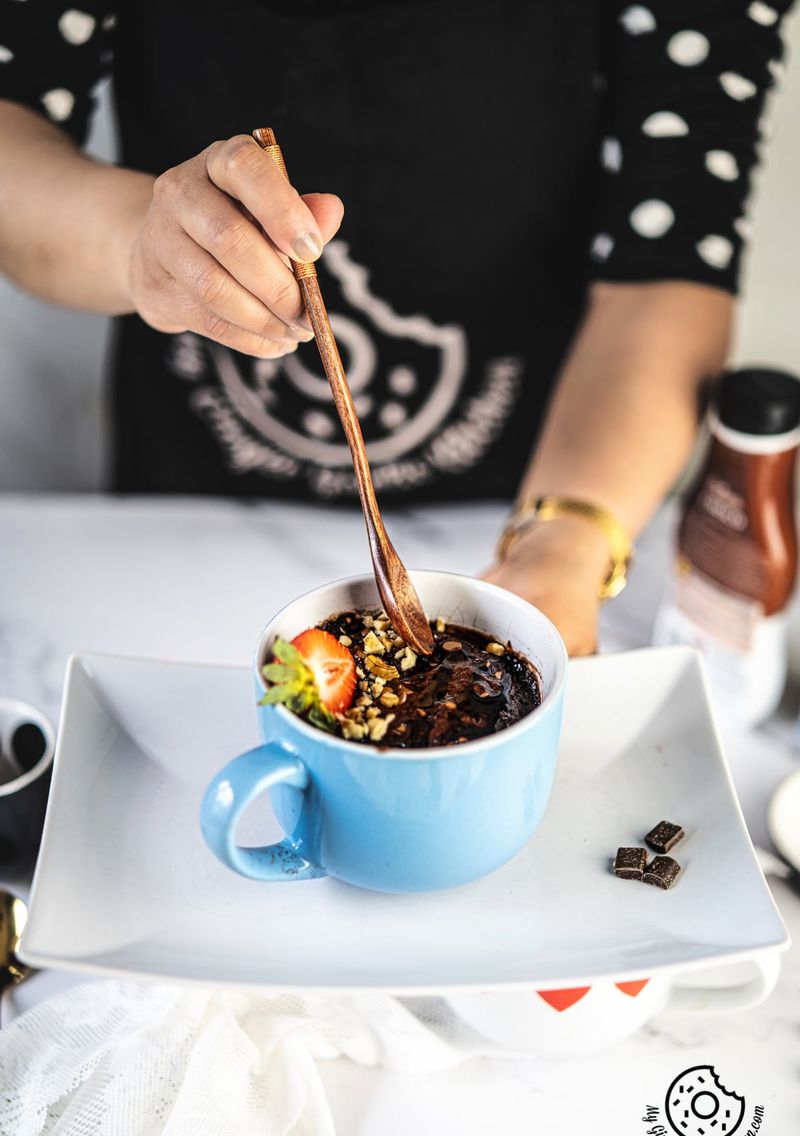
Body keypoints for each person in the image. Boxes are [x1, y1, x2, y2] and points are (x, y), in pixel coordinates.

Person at [0, 1, 792, 653]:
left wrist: (561, 550)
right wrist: (140, 244)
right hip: (178, 520)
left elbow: (672, 262)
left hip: (532, 484)